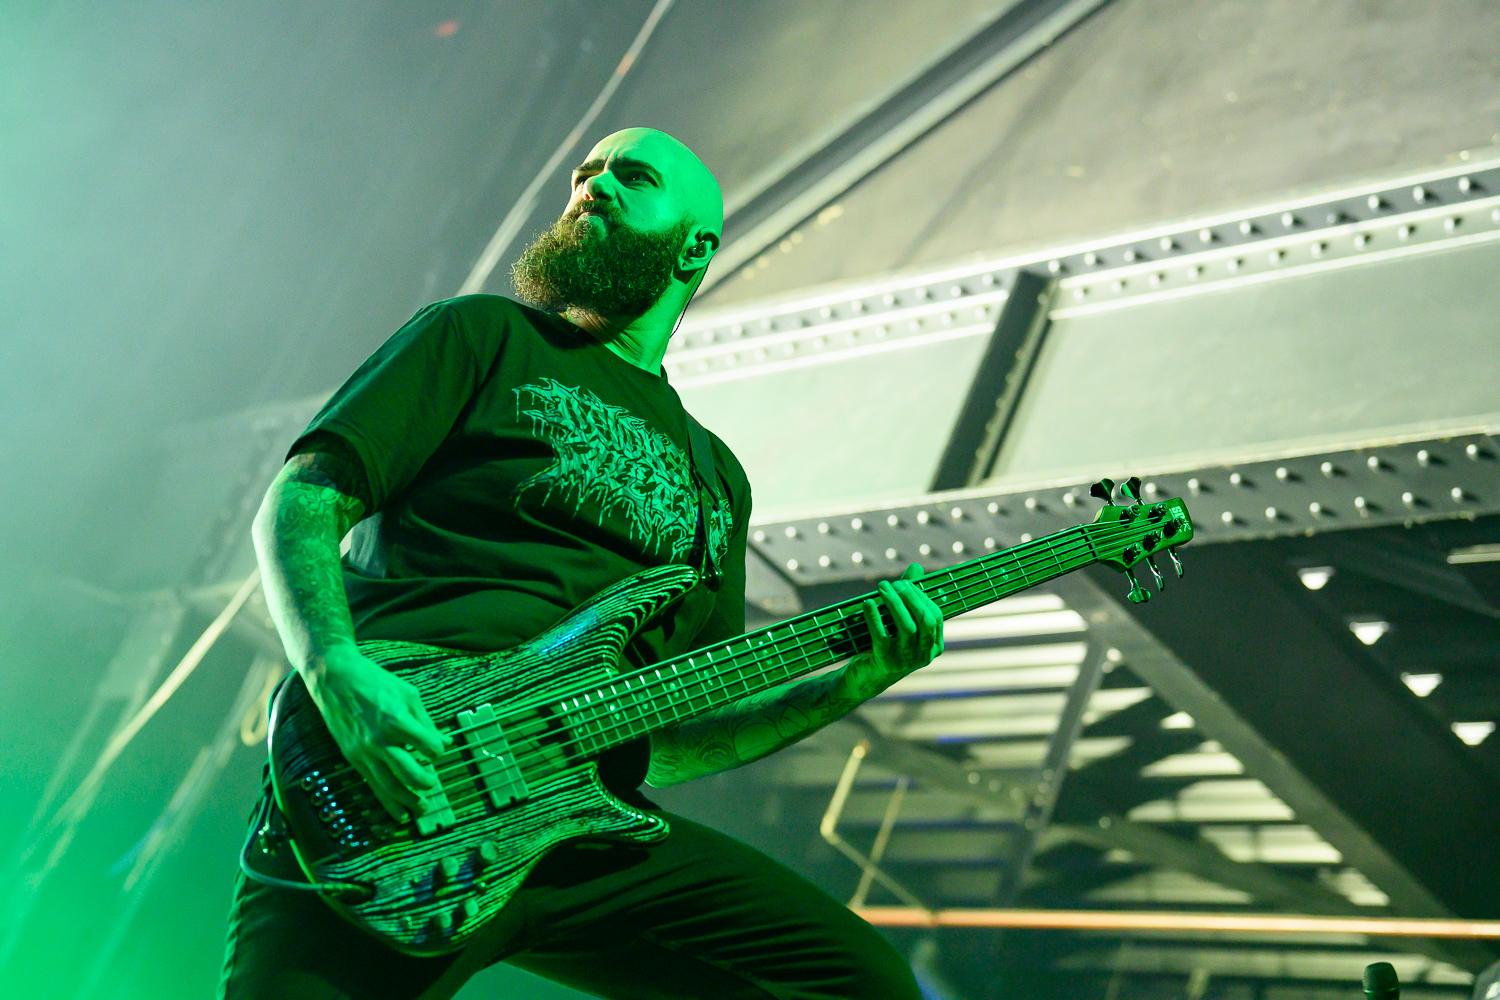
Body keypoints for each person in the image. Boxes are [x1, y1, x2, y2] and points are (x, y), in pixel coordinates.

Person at [217, 126, 944, 999]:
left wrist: (850, 684)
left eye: (632, 176)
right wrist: (333, 666)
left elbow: (671, 742)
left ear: (694, 249)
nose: (594, 185)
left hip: (581, 827)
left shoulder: (716, 479)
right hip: (404, 789)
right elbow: (305, 497)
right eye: (586, 173)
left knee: (862, 985)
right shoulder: (482, 334)